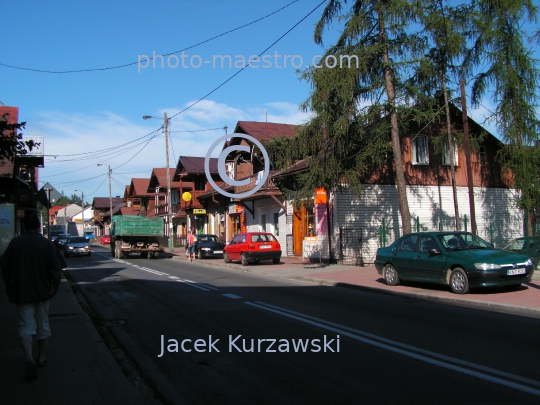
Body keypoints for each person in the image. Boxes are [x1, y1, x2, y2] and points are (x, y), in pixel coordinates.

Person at [0, 212, 67, 380]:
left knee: (25, 325)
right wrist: (54, 289)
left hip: (21, 292)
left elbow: (5, 269)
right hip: (43, 292)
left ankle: (29, 358)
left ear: (23, 226)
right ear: (38, 226)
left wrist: (9, 287)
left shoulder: (15, 243)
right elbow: (57, 271)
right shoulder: (46, 244)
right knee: (43, 325)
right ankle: (41, 358)